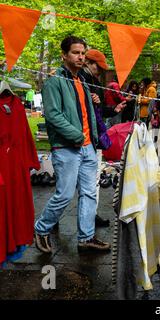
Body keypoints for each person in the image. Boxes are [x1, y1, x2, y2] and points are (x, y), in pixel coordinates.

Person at [34, 36, 110, 253]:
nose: (80, 57)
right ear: (64, 55)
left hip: (87, 147)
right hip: (67, 147)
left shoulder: (82, 82)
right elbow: (53, 116)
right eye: (76, 52)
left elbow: (86, 114)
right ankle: (41, 228)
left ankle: (86, 238)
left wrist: (92, 135)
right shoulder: (54, 81)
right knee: (65, 194)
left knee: (89, 193)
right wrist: (77, 136)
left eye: (83, 53)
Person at [80, 48, 126, 227]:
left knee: (93, 182)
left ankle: (91, 215)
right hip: (85, 137)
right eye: (97, 66)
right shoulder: (81, 81)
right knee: (69, 188)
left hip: (94, 136)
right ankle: (50, 221)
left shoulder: (93, 81)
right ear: (88, 63)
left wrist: (113, 110)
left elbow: (97, 111)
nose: (99, 70)